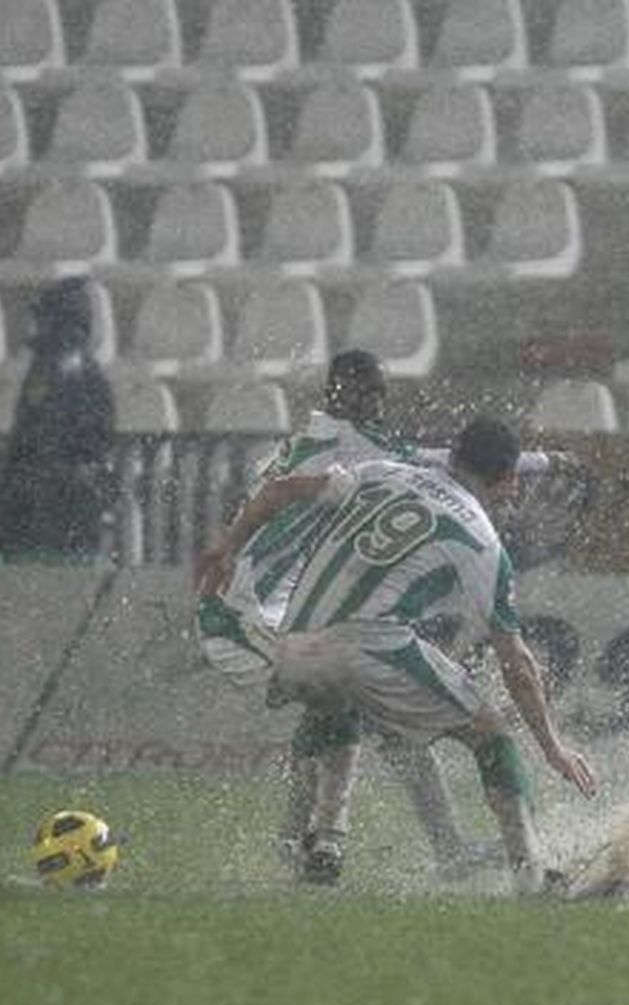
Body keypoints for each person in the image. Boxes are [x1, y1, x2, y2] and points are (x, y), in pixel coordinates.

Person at [204, 349, 568, 884]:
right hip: (293, 625)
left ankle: (318, 842)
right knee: (492, 734)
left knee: (347, 711)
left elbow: (281, 490)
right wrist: (553, 747)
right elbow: (515, 660)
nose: (373, 401)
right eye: (364, 390)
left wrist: (228, 542)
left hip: (290, 636)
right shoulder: (479, 538)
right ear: (507, 481)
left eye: (378, 391)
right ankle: (533, 876)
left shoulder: (374, 469)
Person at [0, 278, 115, 563]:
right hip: (39, 492)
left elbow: (93, 437)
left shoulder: (77, 373)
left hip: (66, 494)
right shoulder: (45, 369)